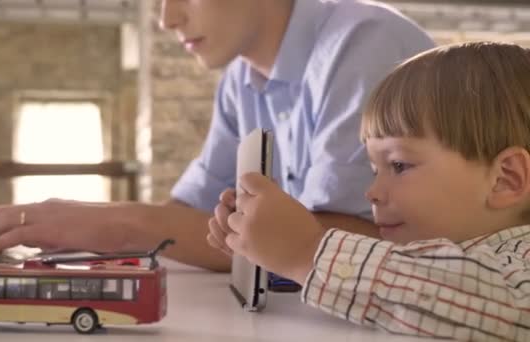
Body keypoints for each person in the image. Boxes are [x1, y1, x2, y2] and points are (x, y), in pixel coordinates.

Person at [0, 0, 434, 271]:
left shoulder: (363, 41)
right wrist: (87, 236)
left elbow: (354, 244)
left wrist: (122, 225)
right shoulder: (239, 82)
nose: (167, 19)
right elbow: (189, 215)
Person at [209, 42, 530, 340]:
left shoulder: (519, 264)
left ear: (507, 179)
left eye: (400, 165)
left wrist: (306, 252)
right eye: (375, 170)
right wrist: (272, 253)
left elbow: (503, 305)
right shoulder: (443, 260)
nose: (372, 192)